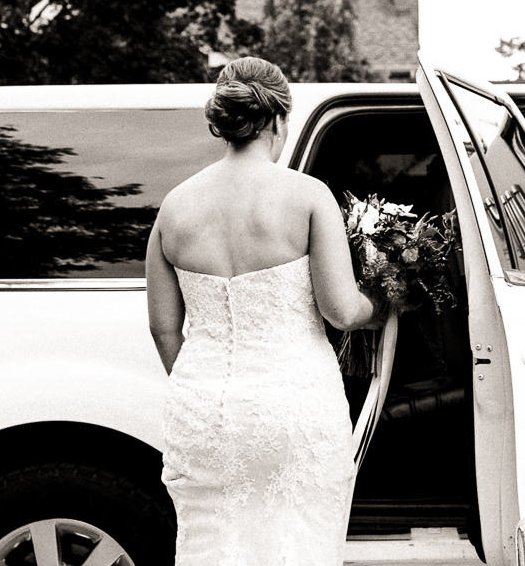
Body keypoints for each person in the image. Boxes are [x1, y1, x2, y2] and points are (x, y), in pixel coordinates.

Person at [146, 56, 381, 566]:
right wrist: (381, 306)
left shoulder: (175, 206)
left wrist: (201, 387)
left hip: (201, 413)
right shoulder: (306, 196)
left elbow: (164, 329)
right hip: (292, 408)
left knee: (212, 547)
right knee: (298, 546)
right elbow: (341, 309)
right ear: (278, 119)